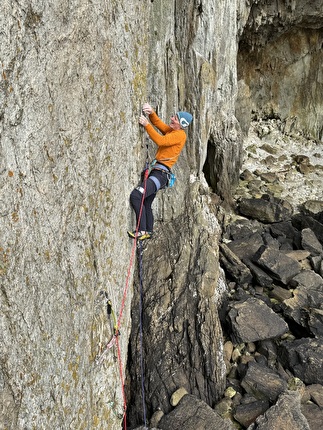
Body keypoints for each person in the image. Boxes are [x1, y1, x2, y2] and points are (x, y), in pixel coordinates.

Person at [128, 102, 193, 240]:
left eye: (175, 118)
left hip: (160, 174)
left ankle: (142, 231)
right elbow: (159, 124)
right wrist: (151, 113)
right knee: (146, 202)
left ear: (181, 123)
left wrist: (146, 124)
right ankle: (148, 230)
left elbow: (160, 141)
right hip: (159, 174)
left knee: (136, 195)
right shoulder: (173, 131)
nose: (171, 118)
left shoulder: (179, 135)